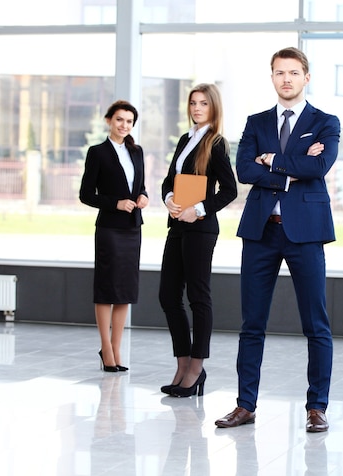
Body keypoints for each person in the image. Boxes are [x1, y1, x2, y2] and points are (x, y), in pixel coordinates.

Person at [215, 47, 340, 432]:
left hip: (305, 233)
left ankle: (316, 407)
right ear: (272, 78)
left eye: (293, 72)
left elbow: (320, 165)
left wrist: (272, 161)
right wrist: (290, 169)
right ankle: (245, 405)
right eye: (278, 73)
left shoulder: (326, 122)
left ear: (306, 77)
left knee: (315, 324)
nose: (286, 79)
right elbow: (244, 170)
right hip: (261, 230)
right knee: (252, 323)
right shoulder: (256, 122)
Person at [159, 83, 237, 397]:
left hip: (201, 229)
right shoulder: (185, 139)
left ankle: (195, 368)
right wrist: (168, 198)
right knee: (167, 296)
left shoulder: (216, 143)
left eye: (203, 103)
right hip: (177, 224)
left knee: (198, 298)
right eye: (193, 103)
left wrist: (199, 209)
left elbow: (230, 190)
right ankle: (182, 362)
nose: (196, 108)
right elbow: (170, 179)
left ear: (213, 107)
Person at [79, 100, 149, 372]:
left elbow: (140, 185)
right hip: (109, 228)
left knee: (124, 291)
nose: (124, 125)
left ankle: (117, 348)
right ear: (109, 120)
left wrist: (143, 196)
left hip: (132, 228)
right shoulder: (97, 153)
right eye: (119, 120)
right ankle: (106, 349)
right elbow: (86, 195)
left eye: (129, 121)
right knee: (107, 288)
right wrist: (115, 203)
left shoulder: (137, 151)